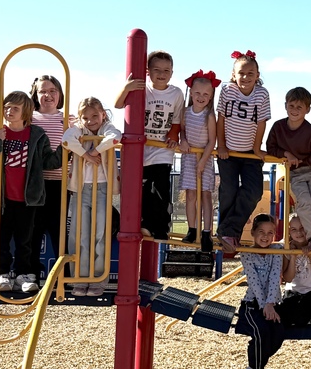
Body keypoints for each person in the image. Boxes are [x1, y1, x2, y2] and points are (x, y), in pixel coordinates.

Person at [0, 91, 64, 293]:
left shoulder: (35, 135)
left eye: (15, 108)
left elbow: (49, 161)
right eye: (7, 107)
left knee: (25, 239)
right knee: (1, 238)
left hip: (28, 198)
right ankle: (2, 272)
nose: (10, 111)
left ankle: (23, 274)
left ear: (25, 112)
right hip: (3, 197)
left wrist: (66, 148)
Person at [115, 50, 183, 241]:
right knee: (143, 190)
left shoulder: (175, 93)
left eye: (166, 70)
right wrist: (126, 88)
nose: (161, 74)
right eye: (157, 69)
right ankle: (144, 224)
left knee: (161, 191)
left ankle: (161, 228)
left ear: (172, 72)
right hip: (140, 149)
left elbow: (177, 119)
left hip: (162, 150)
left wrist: (173, 137)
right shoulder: (141, 89)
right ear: (148, 71)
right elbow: (118, 104)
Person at [62, 97, 121, 297]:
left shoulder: (106, 128)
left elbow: (116, 137)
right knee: (80, 234)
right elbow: (67, 139)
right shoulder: (80, 131)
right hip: (81, 188)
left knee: (100, 234)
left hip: (102, 188)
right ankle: (80, 277)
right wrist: (86, 155)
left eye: (95, 115)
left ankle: (97, 278)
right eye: (85, 117)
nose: (90, 121)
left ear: (103, 114)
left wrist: (95, 149)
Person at [265, 87, 311, 255]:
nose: (294, 110)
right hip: (295, 174)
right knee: (303, 203)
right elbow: (270, 147)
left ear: (307, 110)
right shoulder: (279, 127)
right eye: (291, 106)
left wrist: (303, 161)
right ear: (285, 106)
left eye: (299, 107)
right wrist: (286, 154)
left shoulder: (309, 131)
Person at [216, 50, 271, 255]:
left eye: (250, 73)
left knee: (254, 191)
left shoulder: (261, 94)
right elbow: (220, 118)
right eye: (241, 73)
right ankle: (229, 232)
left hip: (249, 153)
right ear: (233, 74)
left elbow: (261, 122)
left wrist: (257, 149)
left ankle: (227, 230)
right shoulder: (227, 90)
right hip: (228, 152)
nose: (245, 77)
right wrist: (220, 145)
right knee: (228, 191)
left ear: (257, 75)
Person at [235, 213, 283, 369]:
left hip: (271, 303)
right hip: (252, 304)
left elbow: (274, 277)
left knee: (278, 335)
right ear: (253, 233)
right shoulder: (246, 253)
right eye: (261, 232)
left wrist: (271, 304)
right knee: (261, 332)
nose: (265, 236)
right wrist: (264, 305)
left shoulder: (277, 250)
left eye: (270, 233)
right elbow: (254, 282)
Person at [178, 70, 220, 252]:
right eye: (197, 93)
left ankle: (206, 232)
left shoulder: (209, 116)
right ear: (191, 93)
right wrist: (183, 141)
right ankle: (191, 228)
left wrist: (203, 160)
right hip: (189, 157)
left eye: (205, 94)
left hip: (205, 158)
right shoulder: (185, 112)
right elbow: (182, 131)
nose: (201, 97)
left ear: (210, 96)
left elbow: (212, 141)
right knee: (191, 194)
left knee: (206, 195)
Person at [29, 75, 69, 267]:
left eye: (52, 90)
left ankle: (64, 276)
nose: (48, 95)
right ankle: (32, 274)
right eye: (42, 91)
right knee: (34, 229)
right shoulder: (29, 118)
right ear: (35, 95)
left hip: (61, 183)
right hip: (35, 182)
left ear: (60, 94)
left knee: (59, 230)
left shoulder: (68, 119)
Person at [279, 213, 311, 327]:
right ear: (289, 232)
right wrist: (293, 256)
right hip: (293, 290)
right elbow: (288, 278)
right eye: (294, 229)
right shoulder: (287, 248)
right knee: (284, 319)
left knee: (301, 321)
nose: (299, 233)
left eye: (302, 228)